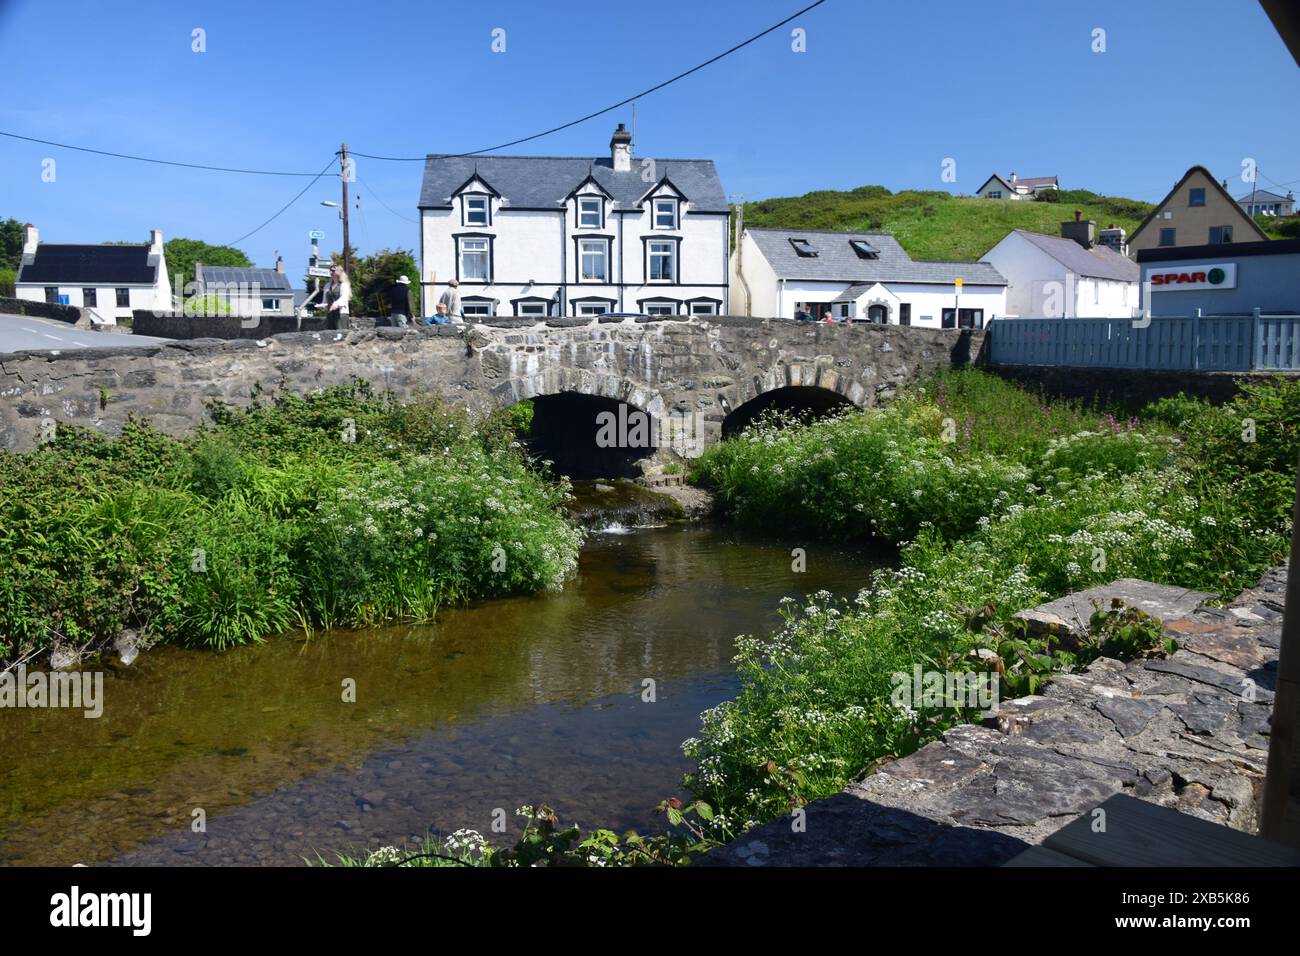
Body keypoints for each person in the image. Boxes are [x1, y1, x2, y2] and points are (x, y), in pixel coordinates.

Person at [326, 266, 351, 330]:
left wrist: (336, 304)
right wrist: (323, 306)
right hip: (330, 314)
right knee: (329, 334)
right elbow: (325, 299)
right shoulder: (327, 285)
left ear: (339, 272)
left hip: (341, 314)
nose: (331, 272)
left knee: (341, 333)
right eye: (330, 270)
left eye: (333, 270)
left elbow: (344, 297)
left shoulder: (344, 284)